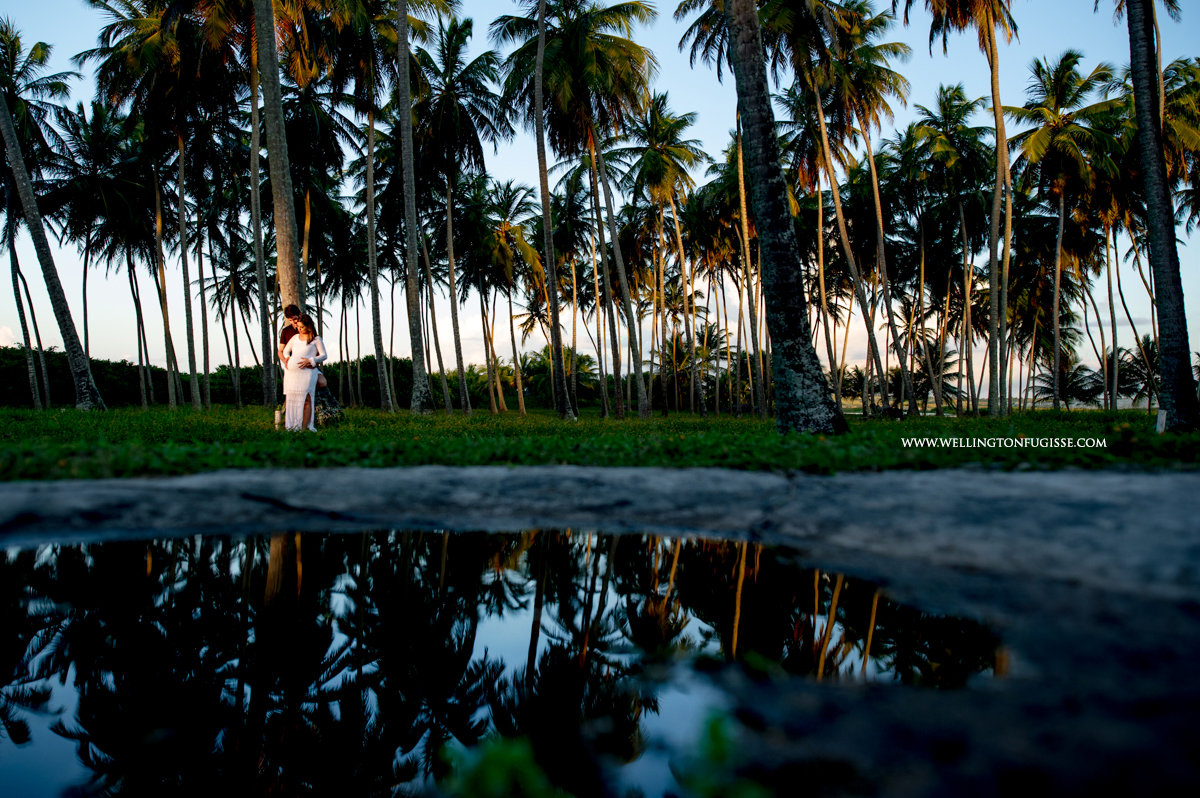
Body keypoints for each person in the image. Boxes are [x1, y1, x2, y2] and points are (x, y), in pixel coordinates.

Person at [282, 314, 327, 431]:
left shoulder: (316, 339)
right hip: (291, 375)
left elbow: (324, 355)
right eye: (298, 327)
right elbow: (286, 350)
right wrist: (287, 358)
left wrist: (311, 360)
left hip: (307, 373)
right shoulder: (295, 338)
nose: (299, 329)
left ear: (309, 327)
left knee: (306, 399)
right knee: (292, 399)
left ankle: (303, 428)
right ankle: (292, 427)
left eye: (302, 327)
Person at [280, 305, 327, 390]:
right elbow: (281, 350)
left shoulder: (311, 334)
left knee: (322, 382)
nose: (293, 322)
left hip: (310, 365)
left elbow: (320, 353)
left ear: (299, 315)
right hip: (292, 366)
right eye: (290, 320)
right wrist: (286, 360)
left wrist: (313, 362)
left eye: (294, 319)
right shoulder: (286, 331)